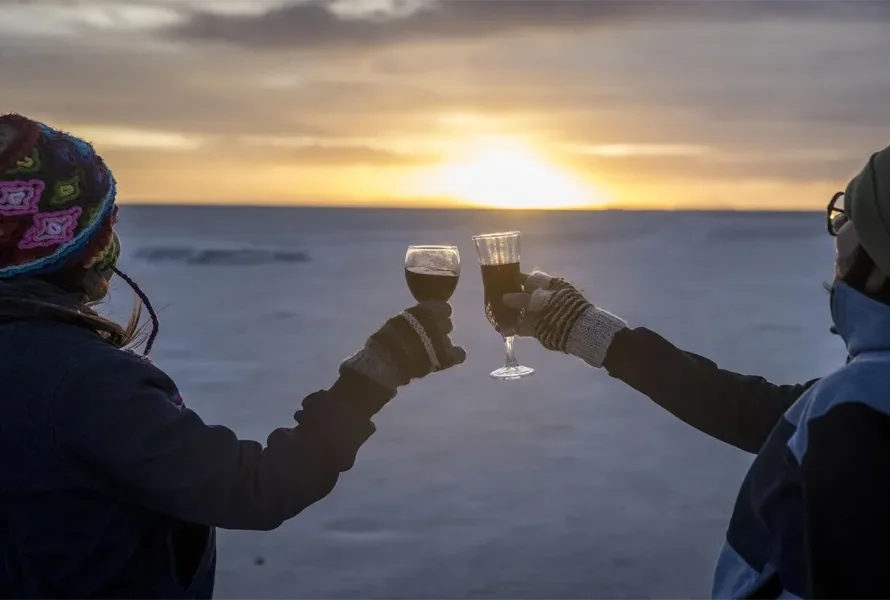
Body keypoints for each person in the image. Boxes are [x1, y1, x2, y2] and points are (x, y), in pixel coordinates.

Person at [0, 113, 466, 599]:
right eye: (106, 223)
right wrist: (375, 373)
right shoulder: (82, 382)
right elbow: (254, 489)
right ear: (82, 245)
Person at [505, 146, 890, 599]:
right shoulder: (861, 392)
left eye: (850, 217)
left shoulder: (858, 401)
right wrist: (589, 331)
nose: (837, 230)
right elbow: (763, 413)